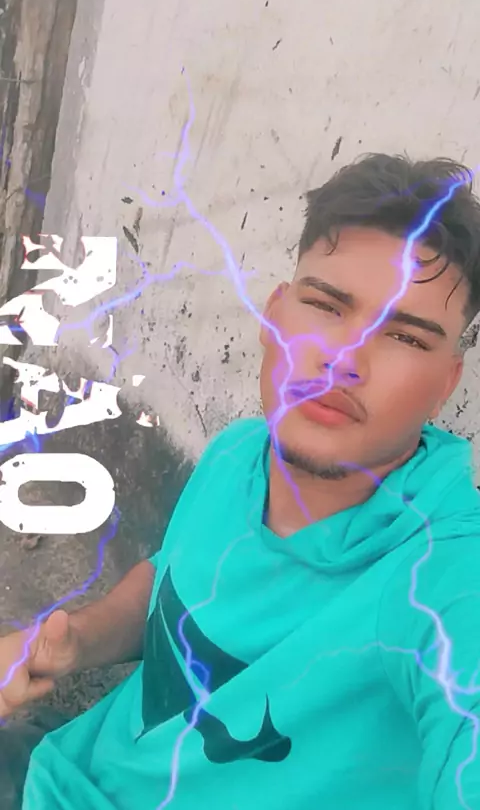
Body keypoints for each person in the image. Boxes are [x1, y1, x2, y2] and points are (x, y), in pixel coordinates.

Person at [1, 152, 480, 810]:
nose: (345, 360)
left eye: (406, 337)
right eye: (327, 305)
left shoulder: (444, 573)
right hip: (61, 772)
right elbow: (173, 583)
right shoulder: (237, 452)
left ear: (446, 383)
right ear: (275, 315)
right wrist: (69, 641)